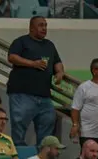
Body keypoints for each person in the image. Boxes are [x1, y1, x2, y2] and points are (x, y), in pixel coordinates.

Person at [6, 17, 63, 146]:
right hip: (22, 94)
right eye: (41, 25)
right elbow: (12, 57)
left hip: (44, 96)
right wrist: (33, 64)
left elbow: (57, 62)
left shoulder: (49, 45)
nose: (44, 28)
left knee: (47, 127)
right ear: (31, 28)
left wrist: (59, 73)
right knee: (19, 128)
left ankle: (42, 158)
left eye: (46, 25)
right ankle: (19, 158)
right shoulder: (21, 41)